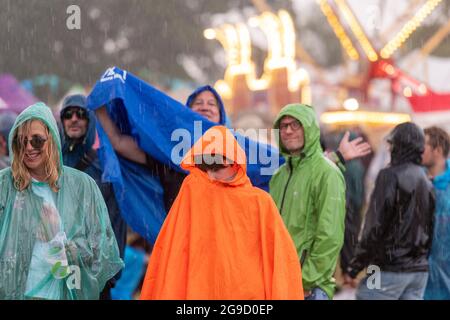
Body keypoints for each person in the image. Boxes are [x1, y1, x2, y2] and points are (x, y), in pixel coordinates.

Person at [140, 125, 304, 299]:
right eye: (206, 168)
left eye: (217, 168)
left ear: (235, 162)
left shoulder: (260, 202)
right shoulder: (193, 189)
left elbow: (279, 261)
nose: (211, 176)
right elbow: (174, 251)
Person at [0, 102, 124, 299]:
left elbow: (101, 251)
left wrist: (57, 237)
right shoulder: (5, 185)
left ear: (52, 139)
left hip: (63, 293)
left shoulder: (82, 186)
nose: (29, 147)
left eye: (37, 140)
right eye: (21, 141)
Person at [346, 122, 435, 300]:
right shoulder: (426, 179)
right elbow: (430, 228)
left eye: (391, 144)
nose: (389, 148)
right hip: (418, 272)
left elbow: (374, 227)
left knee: (366, 296)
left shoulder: (389, 176)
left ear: (397, 145)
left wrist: (354, 268)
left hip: (383, 267)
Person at [269, 103, 346, 300]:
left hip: (310, 288)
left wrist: (305, 280)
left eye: (295, 125)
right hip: (278, 283)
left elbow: (330, 236)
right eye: (283, 126)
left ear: (310, 128)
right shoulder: (279, 176)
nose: (288, 131)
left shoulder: (327, 173)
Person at [60, 94, 127, 299]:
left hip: (95, 274)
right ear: (61, 121)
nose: (74, 119)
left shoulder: (104, 164)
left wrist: (109, 275)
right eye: (68, 114)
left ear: (89, 120)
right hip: (59, 270)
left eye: (80, 113)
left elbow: (115, 218)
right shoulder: (51, 162)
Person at [422, 126, 450, 300]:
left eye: (423, 145)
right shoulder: (414, 183)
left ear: (437, 150)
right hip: (419, 285)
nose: (418, 150)